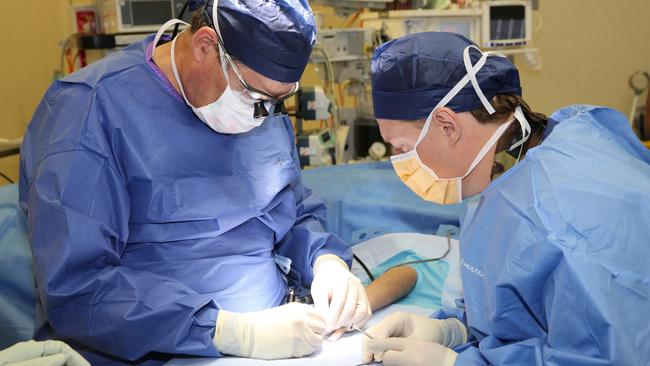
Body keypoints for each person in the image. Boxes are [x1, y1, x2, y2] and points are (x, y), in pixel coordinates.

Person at [18, 0, 371, 364]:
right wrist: (230, 332)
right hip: (152, 352)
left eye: (277, 101)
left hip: (280, 343)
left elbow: (291, 212)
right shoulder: (89, 111)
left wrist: (326, 263)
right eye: (254, 95)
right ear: (205, 45)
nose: (262, 113)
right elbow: (78, 287)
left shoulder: (261, 107)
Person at [361, 31, 650, 365]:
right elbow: (518, 310)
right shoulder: (511, 175)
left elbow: (608, 355)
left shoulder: (565, 216)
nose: (401, 163)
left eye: (403, 148)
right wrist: (453, 329)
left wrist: (456, 363)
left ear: (447, 125)